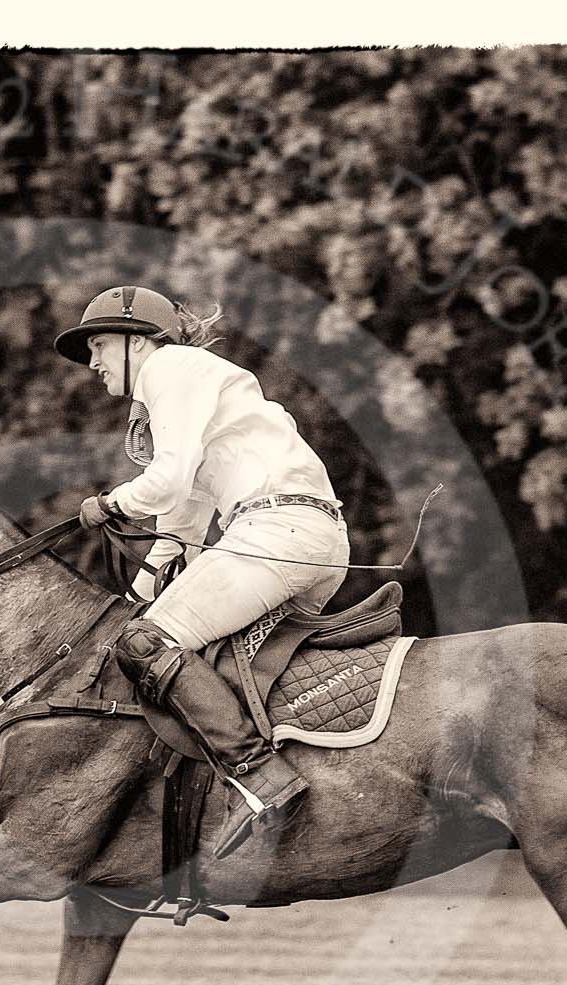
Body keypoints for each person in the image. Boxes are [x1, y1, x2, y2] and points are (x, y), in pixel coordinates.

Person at [54, 285, 352, 858]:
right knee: (197, 657)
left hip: (275, 533)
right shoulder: (186, 393)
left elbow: (164, 483)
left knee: (148, 644)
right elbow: (179, 531)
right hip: (308, 539)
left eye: (98, 346)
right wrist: (126, 606)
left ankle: (260, 778)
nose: (92, 363)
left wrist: (110, 504)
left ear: (137, 342)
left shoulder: (171, 368)